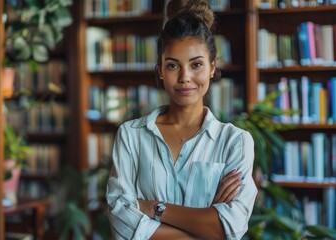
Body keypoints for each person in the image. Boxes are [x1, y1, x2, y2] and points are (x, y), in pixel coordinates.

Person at [106, 0, 257, 239]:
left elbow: (231, 227)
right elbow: (121, 223)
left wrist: (154, 208)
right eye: (173, 65)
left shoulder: (235, 142)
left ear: (211, 68)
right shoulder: (131, 135)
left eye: (196, 64)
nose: (185, 77)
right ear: (160, 71)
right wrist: (205, 225)